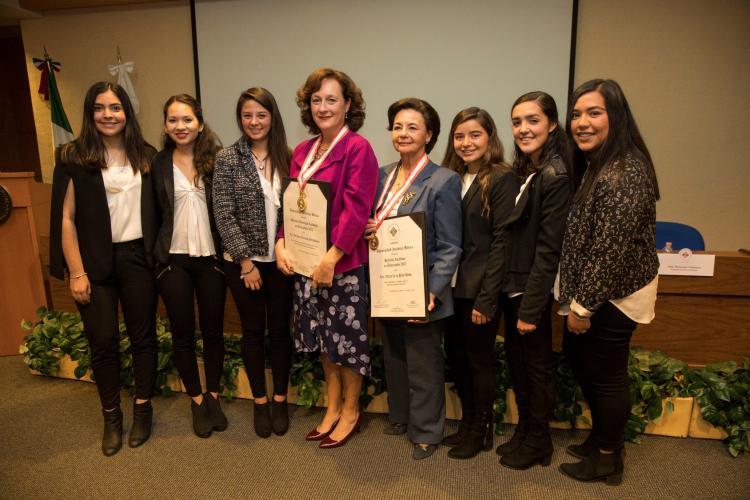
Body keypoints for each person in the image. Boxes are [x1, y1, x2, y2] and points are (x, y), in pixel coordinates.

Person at [558, 79, 660, 485]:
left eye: (593, 113)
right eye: (577, 114)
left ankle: (607, 459)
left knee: (607, 376)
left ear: (615, 117)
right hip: (598, 292)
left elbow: (609, 249)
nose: (581, 122)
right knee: (588, 368)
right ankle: (601, 440)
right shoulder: (600, 163)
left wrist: (583, 306)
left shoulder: (624, 170)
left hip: (613, 297)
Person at [49, 81, 158, 456]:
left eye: (115, 107)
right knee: (104, 342)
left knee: (144, 339)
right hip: (93, 264)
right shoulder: (73, 156)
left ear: (127, 111)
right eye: (100, 108)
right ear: (90, 112)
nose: (108, 115)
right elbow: (65, 218)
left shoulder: (145, 154)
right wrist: (76, 272)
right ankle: (112, 417)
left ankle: (143, 410)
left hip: (138, 261)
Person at [276, 69, 378, 448]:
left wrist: (331, 258)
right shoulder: (302, 151)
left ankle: (351, 410)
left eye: (331, 99)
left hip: (342, 267)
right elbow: (293, 205)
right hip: (306, 265)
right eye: (316, 100)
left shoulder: (358, 149)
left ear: (348, 105)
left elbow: (356, 209)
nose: (323, 107)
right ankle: (331, 406)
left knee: (347, 345)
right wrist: (282, 243)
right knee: (324, 342)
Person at [365, 98, 462, 460]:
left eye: (412, 127)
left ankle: (427, 431)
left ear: (429, 135)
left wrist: (433, 290)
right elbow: (376, 226)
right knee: (394, 355)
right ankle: (401, 415)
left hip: (422, 289)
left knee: (423, 362)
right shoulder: (381, 175)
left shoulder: (443, 180)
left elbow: (451, 245)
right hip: (389, 285)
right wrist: (368, 229)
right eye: (397, 126)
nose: (403, 133)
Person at [494, 92, 572, 469]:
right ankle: (525, 431)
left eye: (533, 120)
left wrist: (532, 305)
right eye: (517, 122)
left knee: (537, 368)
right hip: (514, 285)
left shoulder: (556, 174)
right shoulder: (527, 171)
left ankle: (540, 440)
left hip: (532, 289)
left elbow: (548, 249)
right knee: (519, 365)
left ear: (552, 124)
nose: (523, 129)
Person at [213, 87, 294, 438]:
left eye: (261, 114)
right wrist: (245, 262)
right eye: (248, 115)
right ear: (240, 119)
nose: (254, 121)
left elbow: (298, 210)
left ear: (272, 117)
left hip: (281, 262)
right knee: (252, 332)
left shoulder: (289, 157)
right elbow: (223, 214)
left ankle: (280, 399)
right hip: (244, 265)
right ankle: (259, 401)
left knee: (279, 333)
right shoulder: (228, 158)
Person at [441, 107, 519, 459]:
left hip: (480, 290)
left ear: (490, 137)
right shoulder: (452, 178)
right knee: (458, 359)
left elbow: (502, 240)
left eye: (475, 135)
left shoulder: (501, 177)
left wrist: (488, 300)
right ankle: (468, 425)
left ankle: (481, 429)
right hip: (452, 288)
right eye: (460, 136)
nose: (466, 142)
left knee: (478, 362)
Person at [152, 94, 227, 438]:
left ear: (199, 122)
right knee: (183, 334)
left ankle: (213, 395)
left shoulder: (216, 160)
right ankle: (195, 400)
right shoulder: (157, 163)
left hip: (211, 260)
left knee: (212, 332)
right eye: (173, 120)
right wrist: (159, 263)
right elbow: (150, 215)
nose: (180, 127)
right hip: (174, 263)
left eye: (187, 120)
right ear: (166, 125)